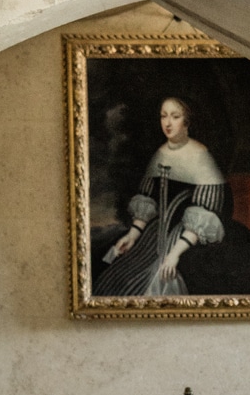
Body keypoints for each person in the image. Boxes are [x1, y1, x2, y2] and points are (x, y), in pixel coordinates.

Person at [94, 95, 228, 297]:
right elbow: (147, 200)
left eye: (175, 116)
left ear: (187, 122)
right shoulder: (160, 154)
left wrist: (174, 254)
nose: (167, 122)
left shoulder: (201, 157)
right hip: (156, 233)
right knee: (118, 273)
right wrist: (133, 234)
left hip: (191, 239)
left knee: (159, 276)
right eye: (163, 116)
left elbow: (207, 213)